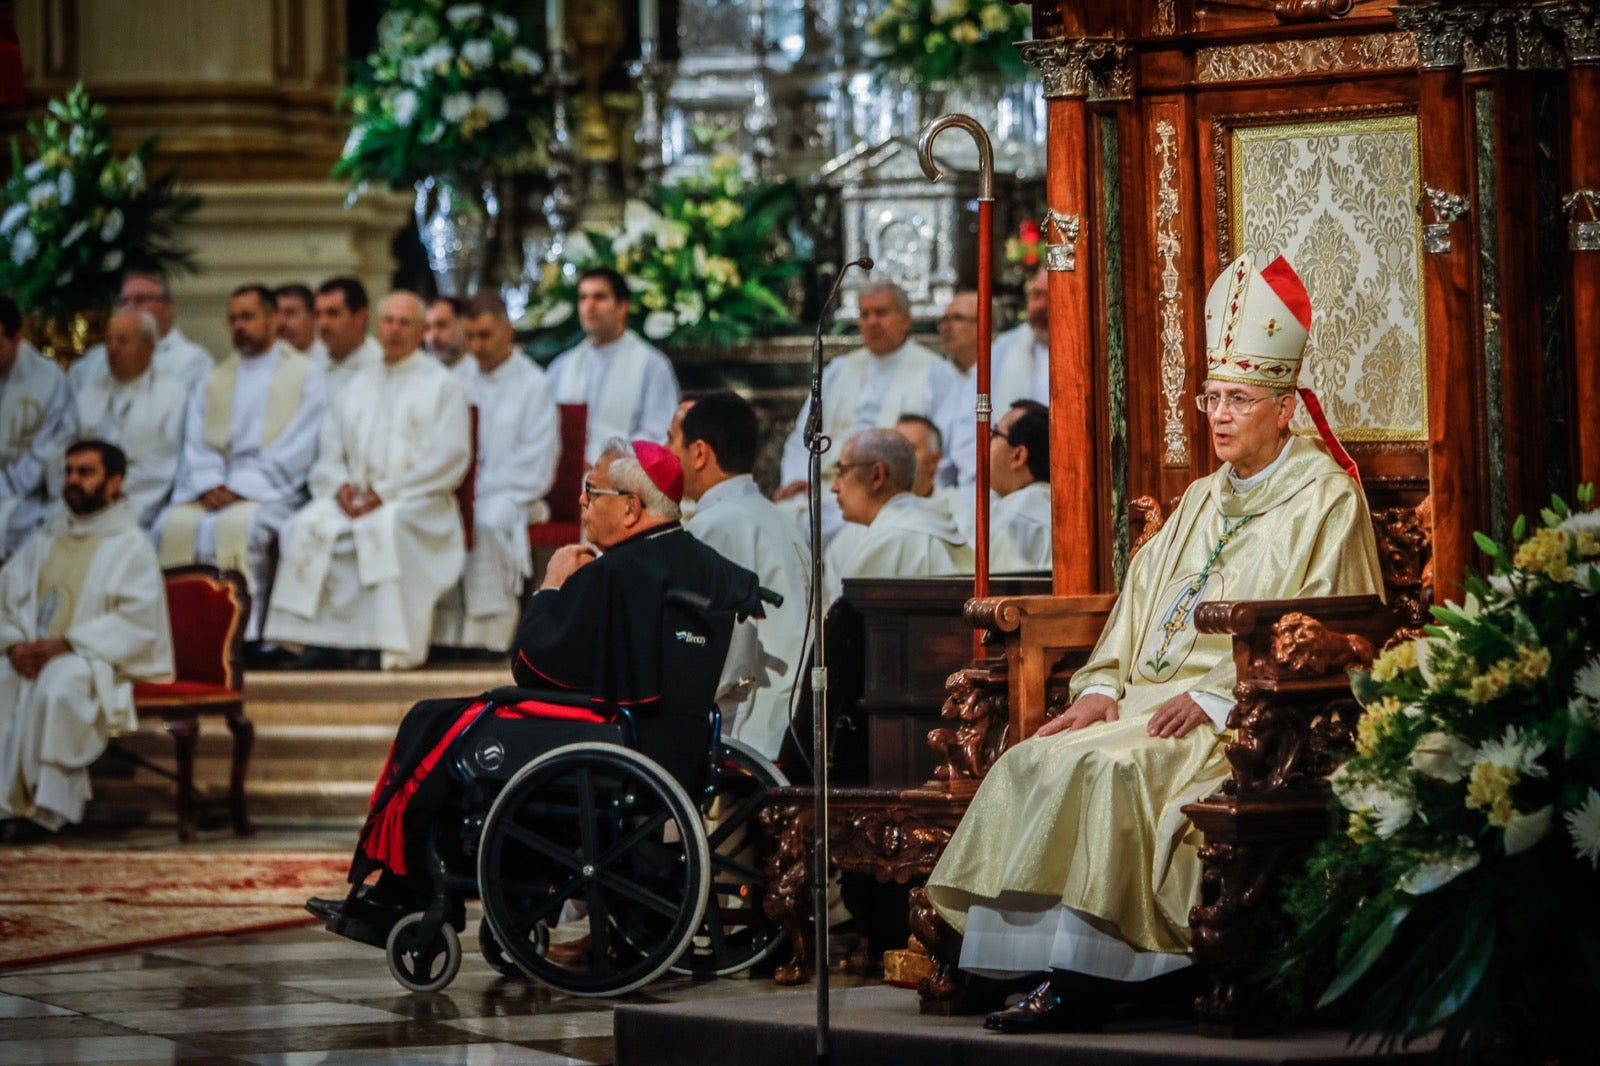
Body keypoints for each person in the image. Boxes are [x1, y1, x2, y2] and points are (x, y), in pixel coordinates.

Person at [922, 253, 1384, 1033]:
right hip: (1141, 701)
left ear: (1286, 409)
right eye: (1213, 398)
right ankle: (1029, 961)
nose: (1222, 415)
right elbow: (1137, 608)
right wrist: (1101, 687)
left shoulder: (1327, 500)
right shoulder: (1202, 497)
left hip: (1240, 716)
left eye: (1240, 399)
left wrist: (1211, 697)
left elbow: (1334, 629)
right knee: (1034, 755)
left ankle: (1092, 979)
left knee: (1112, 767)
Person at [305, 439, 764, 938]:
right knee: (443, 721)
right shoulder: (706, 563)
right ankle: (416, 890)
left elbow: (532, 667)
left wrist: (552, 587)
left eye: (592, 491)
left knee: (434, 722)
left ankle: (409, 894)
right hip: (676, 747)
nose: (582, 502)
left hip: (613, 748)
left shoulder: (612, 571)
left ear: (631, 508)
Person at [265, 291, 471, 670]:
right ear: (377, 325)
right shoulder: (356, 384)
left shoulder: (443, 385)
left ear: (422, 329)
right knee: (303, 525)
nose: (394, 330)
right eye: (388, 321)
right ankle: (318, 642)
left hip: (417, 499)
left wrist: (385, 493)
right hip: (354, 495)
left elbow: (450, 457)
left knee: (386, 529)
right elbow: (329, 451)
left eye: (405, 322)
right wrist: (340, 486)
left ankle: (381, 644)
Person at [0, 440, 172, 838]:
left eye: (86, 472)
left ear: (115, 483)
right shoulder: (46, 539)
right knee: (4, 679)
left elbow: (139, 621)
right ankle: (7, 804)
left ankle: (49, 810)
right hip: (33, 655)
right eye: (69, 471)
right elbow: (6, 599)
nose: (73, 480)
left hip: (94, 657)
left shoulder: (130, 545)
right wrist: (13, 646)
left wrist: (71, 643)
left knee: (61, 685)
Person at [156, 284, 325, 641]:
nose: (239, 327)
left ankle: (241, 639)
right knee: (169, 527)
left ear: (272, 318)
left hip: (270, 493)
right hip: (215, 489)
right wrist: (209, 483)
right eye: (233, 319)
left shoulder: (306, 375)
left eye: (247, 317)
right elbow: (197, 442)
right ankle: (184, 639)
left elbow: (300, 444)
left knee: (245, 529)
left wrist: (238, 487)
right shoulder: (214, 379)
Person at [668, 391, 808, 759]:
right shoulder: (777, 516)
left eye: (672, 440)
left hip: (754, 720)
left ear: (699, 452)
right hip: (797, 708)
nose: (668, 453)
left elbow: (716, 652)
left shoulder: (716, 525)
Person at [776, 281, 959, 548]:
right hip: (827, 491)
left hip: (889, 495)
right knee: (781, 521)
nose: (872, 322)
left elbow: (942, 446)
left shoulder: (935, 372)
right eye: (865, 314)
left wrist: (914, 491)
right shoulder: (838, 370)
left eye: (881, 313)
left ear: (905, 319)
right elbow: (803, 435)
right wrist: (797, 478)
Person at [432, 294, 559, 655]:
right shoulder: (456, 379)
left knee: (488, 520)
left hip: (518, 493)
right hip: (463, 487)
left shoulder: (535, 384)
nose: (476, 346)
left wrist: (480, 488)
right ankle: (445, 633)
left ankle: (487, 637)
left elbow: (537, 458)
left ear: (508, 331)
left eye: (485, 336)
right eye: (470, 337)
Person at [822, 428, 973, 604]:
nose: (834, 487)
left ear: (876, 475)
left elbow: (845, 627)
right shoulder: (939, 526)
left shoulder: (886, 542)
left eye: (842, 472)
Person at [546, 268, 679, 463]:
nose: (589, 306)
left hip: (623, 481)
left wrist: (605, 463)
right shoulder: (561, 367)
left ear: (622, 306)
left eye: (599, 297)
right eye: (583, 298)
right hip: (568, 477)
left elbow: (659, 433)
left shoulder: (652, 366)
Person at [70, 310, 189, 529]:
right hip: (81, 498)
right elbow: (65, 449)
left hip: (138, 500)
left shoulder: (172, 396)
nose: (112, 348)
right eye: (109, 340)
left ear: (148, 347)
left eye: (122, 341)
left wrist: (108, 491)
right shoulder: (88, 393)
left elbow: (163, 463)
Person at [943, 269, 1051, 491]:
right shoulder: (1002, 350)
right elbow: (967, 426)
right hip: (992, 487)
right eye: (1036, 295)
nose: (1039, 306)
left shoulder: (1085, 350)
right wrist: (997, 477)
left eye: (1048, 296)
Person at [0, 296, 77, 562]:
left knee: (26, 529)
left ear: (16, 337)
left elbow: (49, 449)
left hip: (26, 494)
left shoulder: (48, 380)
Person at [69, 273, 214, 395]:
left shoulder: (193, 361)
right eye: (124, 301)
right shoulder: (95, 360)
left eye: (141, 299)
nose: (130, 307)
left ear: (167, 308)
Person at [988, 400, 1052, 574]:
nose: (986, 444)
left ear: (1018, 455)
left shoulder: (1014, 519)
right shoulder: (1053, 508)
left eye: (994, 433)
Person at [312, 276, 381, 402]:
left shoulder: (382, 364)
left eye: (333, 313)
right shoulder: (311, 361)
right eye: (318, 314)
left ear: (361, 317)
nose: (322, 324)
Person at [274, 283, 326, 359]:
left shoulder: (331, 360)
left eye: (290, 313)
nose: (280, 322)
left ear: (313, 317)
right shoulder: (263, 362)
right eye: (276, 314)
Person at [424, 296, 466, 367]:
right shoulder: (416, 372)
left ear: (463, 324)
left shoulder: (484, 372)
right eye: (427, 328)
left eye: (441, 325)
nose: (433, 336)